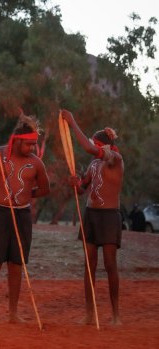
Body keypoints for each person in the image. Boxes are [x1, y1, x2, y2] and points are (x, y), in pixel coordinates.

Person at [0, 113, 50, 323]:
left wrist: (26, 195)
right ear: (16, 141)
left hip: (22, 215)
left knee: (16, 265)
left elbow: (45, 188)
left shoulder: (35, 163)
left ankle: (13, 313)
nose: (32, 149)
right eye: (28, 144)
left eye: (34, 144)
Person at [61, 109, 124, 326]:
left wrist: (72, 121)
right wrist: (75, 183)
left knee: (109, 264)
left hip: (109, 217)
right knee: (90, 265)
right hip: (92, 215)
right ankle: (89, 313)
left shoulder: (115, 159)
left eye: (95, 145)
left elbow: (88, 148)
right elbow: (82, 189)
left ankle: (116, 315)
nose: (93, 149)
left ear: (103, 146)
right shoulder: (94, 164)